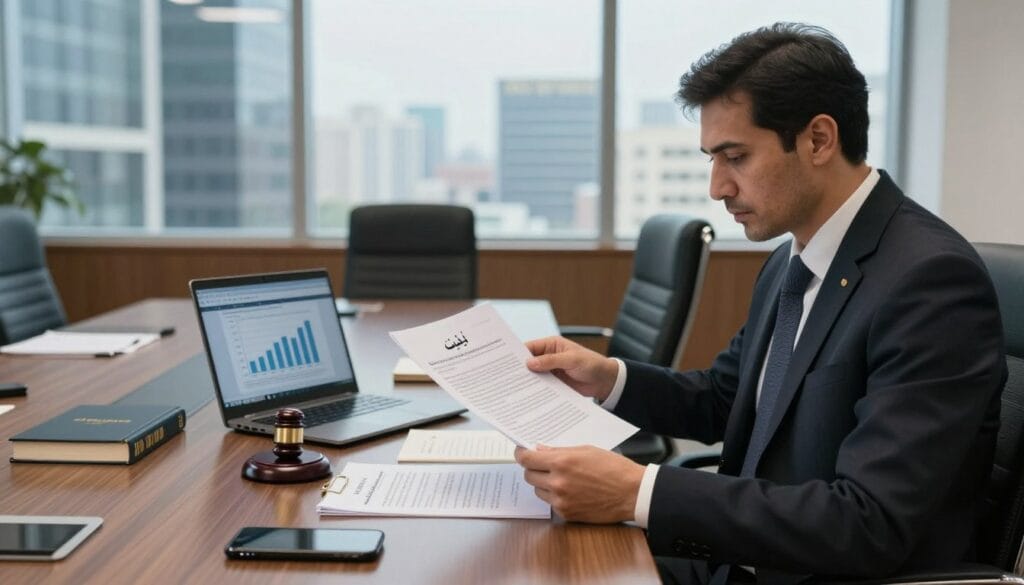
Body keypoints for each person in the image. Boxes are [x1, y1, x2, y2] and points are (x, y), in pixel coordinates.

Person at [514, 22, 1006, 584]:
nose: (718, 187)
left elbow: (868, 522)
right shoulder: (793, 259)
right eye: (712, 160)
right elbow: (728, 399)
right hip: (745, 555)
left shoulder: (931, 282)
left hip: (817, 572)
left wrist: (637, 491)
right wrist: (609, 380)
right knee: (535, 559)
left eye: (736, 157)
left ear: (819, 140)